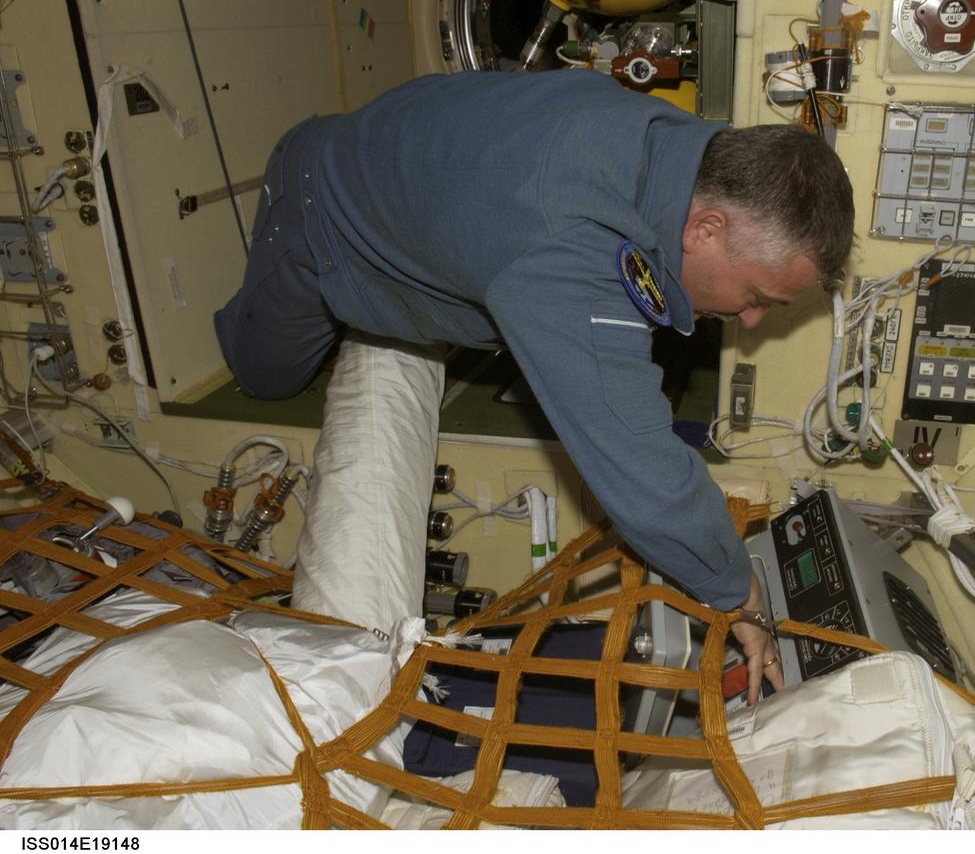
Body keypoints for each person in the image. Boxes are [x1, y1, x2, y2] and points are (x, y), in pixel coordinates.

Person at [214, 69, 853, 705]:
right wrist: (740, 592)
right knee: (267, 378)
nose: (750, 319)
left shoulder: (683, 148)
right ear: (706, 229)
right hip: (313, 200)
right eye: (757, 296)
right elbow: (643, 473)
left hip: (406, 140)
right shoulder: (574, 248)